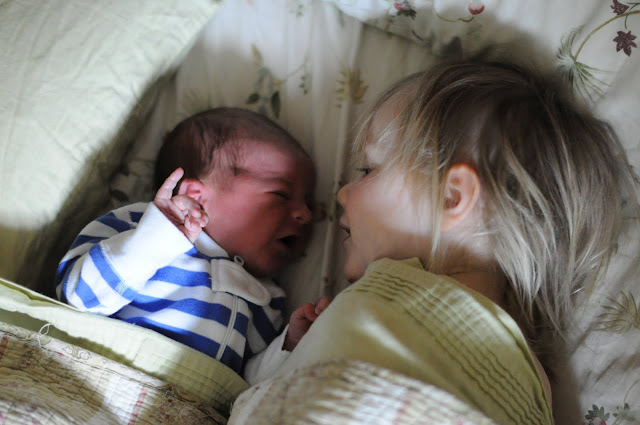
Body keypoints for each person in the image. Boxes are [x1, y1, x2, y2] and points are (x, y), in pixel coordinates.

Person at [255, 59, 638, 425]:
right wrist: (299, 356)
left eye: (368, 170)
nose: (341, 194)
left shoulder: (396, 304)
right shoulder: (535, 382)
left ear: (450, 197)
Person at [55, 107, 330, 385]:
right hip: (99, 379)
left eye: (308, 202)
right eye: (281, 194)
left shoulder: (266, 299)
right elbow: (80, 298)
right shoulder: (140, 228)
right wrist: (156, 239)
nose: (305, 214)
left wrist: (289, 345)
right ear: (197, 197)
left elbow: (245, 384)